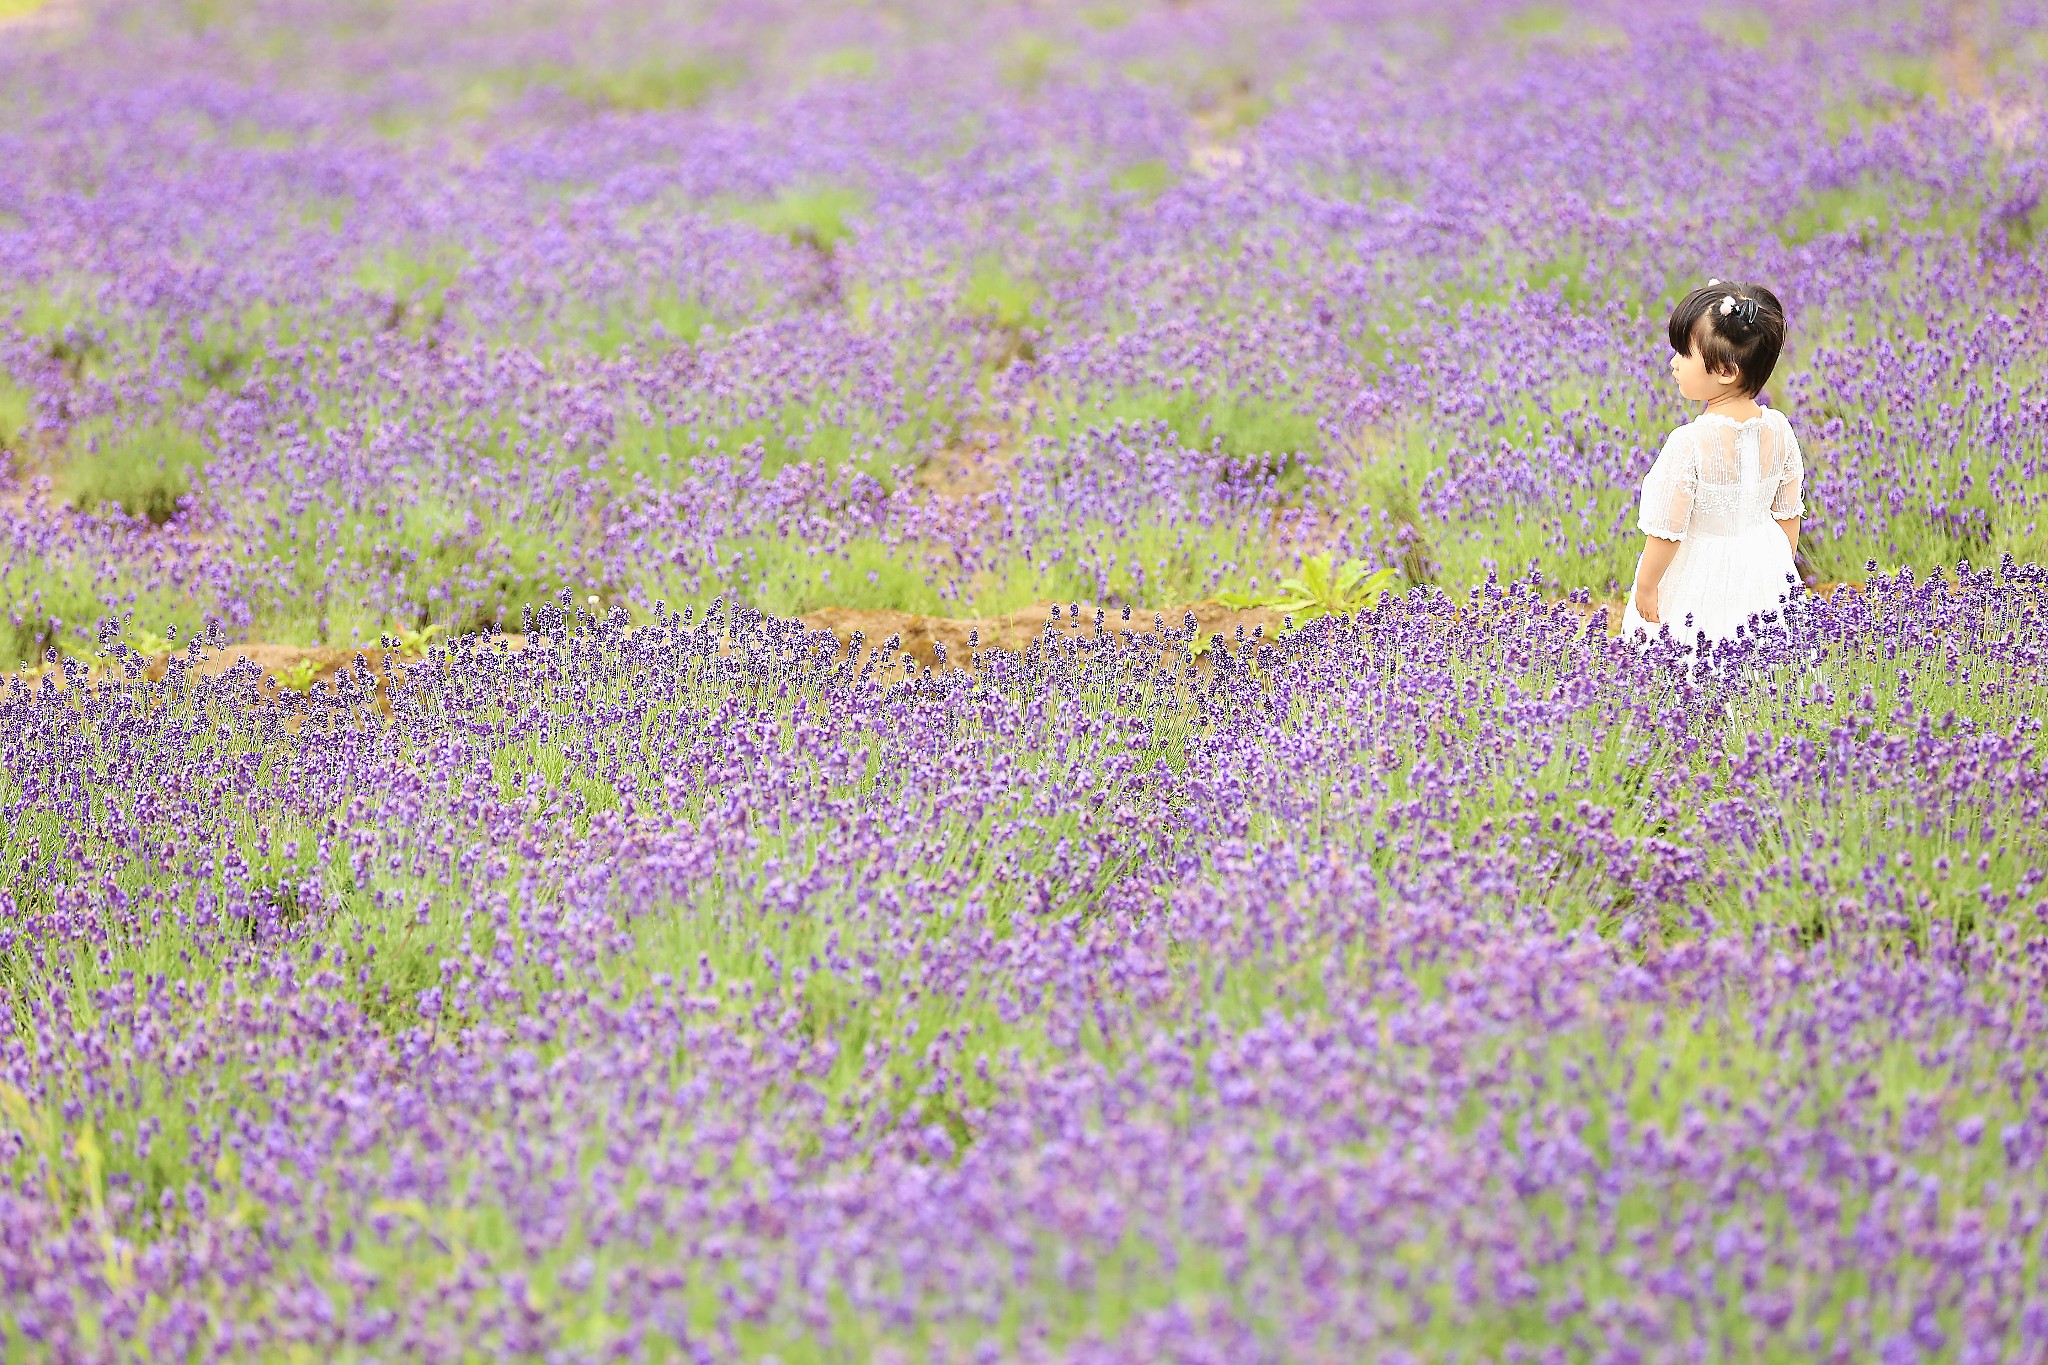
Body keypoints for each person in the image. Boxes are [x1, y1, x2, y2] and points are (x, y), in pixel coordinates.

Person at [1623, 281, 1805, 644]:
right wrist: (1779, 570)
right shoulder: (1780, 430)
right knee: (1762, 660)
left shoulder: (1689, 443)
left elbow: (1666, 533)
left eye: (1683, 354)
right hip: (1764, 567)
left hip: (1700, 574)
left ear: (1724, 370)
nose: (1673, 363)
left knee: (1690, 654)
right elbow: (1788, 514)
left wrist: (1647, 585)